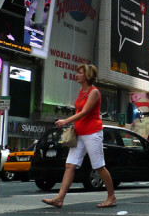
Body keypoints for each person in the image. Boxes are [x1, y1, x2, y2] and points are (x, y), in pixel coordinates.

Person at [42, 64, 117, 208]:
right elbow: (79, 112)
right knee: (70, 165)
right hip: (80, 133)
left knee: (99, 166)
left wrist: (66, 121)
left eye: (80, 73)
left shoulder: (94, 92)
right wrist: (73, 126)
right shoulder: (81, 91)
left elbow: (84, 112)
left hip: (92, 133)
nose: (77, 75)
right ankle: (59, 198)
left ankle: (111, 197)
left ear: (87, 76)